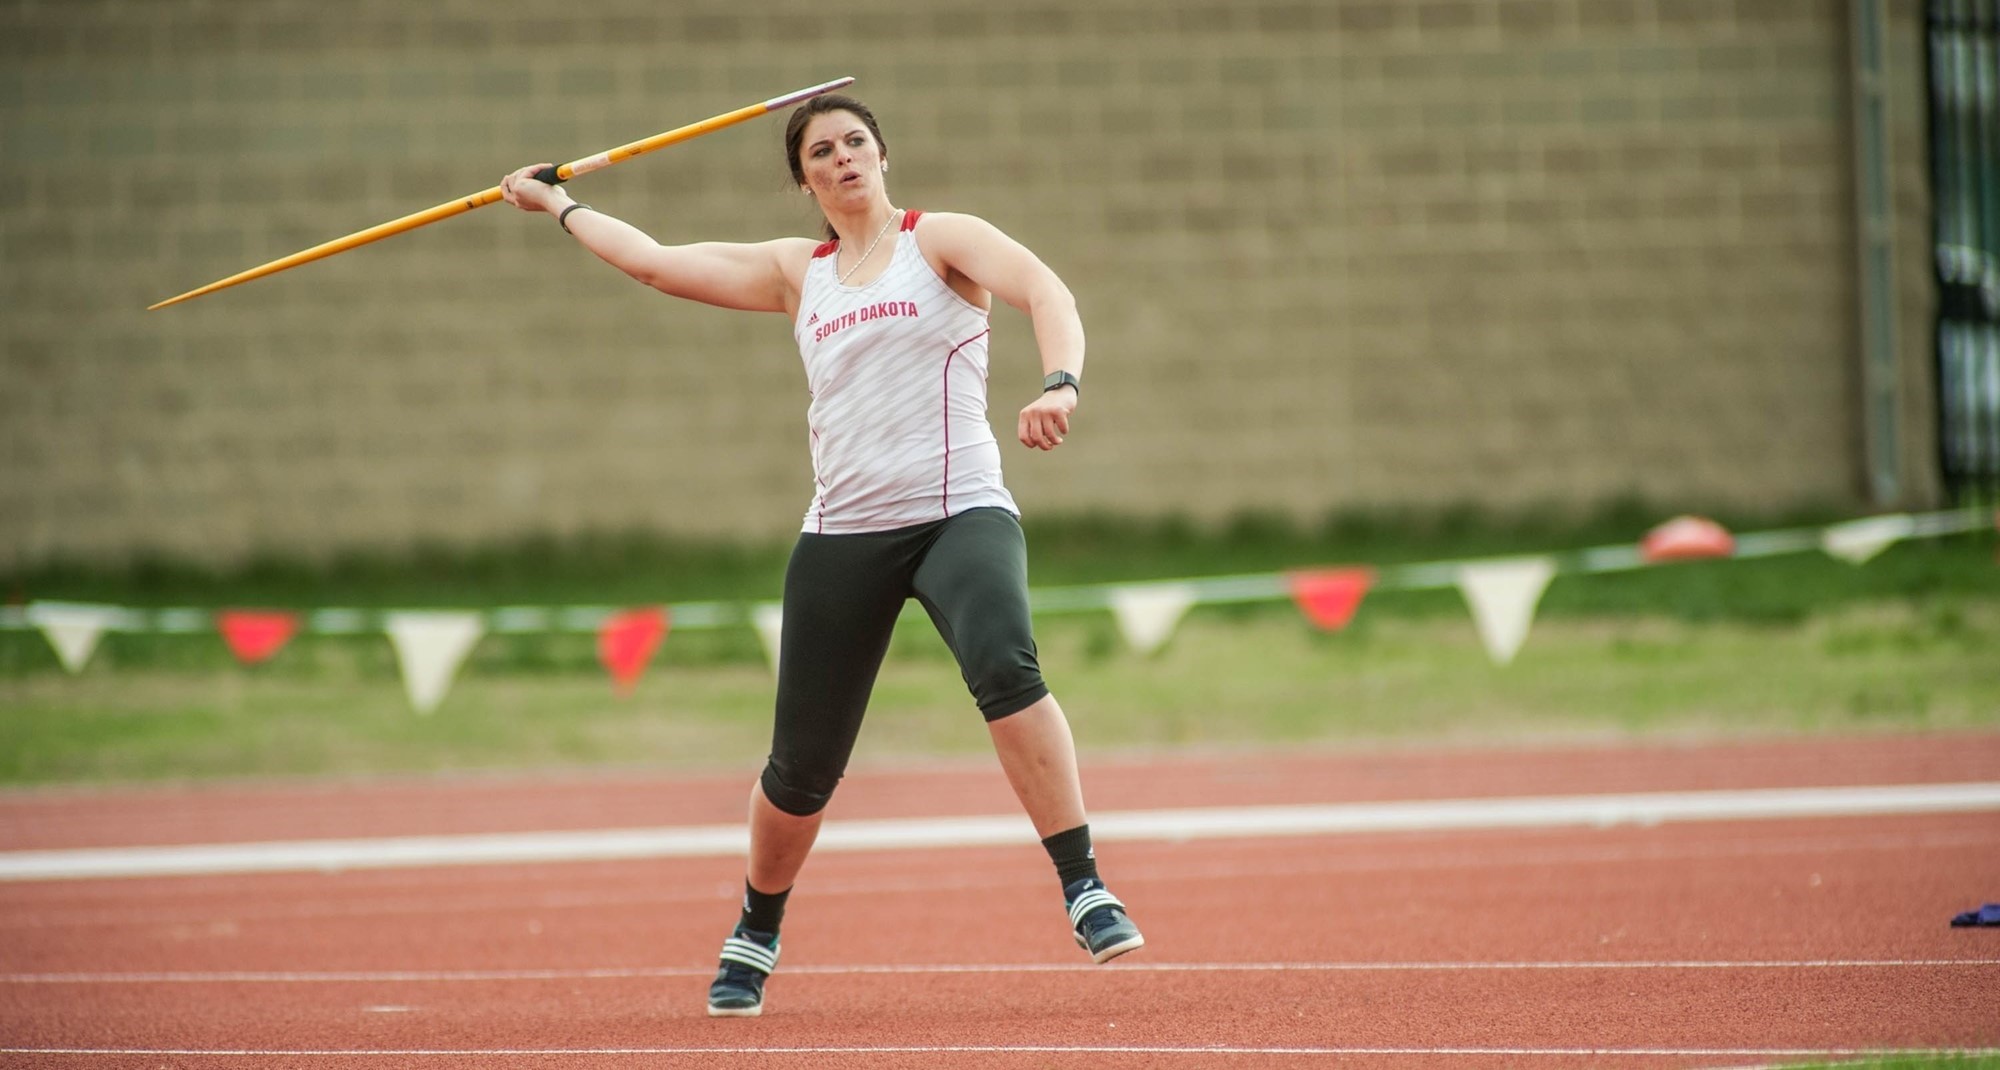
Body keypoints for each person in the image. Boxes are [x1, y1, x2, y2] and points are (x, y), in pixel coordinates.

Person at [500, 92, 1142, 1018]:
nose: (843, 159)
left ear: (883, 154)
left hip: (960, 511)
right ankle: (757, 925)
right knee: (801, 768)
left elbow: (1049, 291)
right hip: (844, 534)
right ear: (803, 179)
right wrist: (556, 203)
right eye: (822, 152)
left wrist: (1061, 383)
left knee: (1006, 662)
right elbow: (656, 265)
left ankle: (1084, 884)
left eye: (855, 143)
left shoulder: (942, 240)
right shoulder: (796, 271)